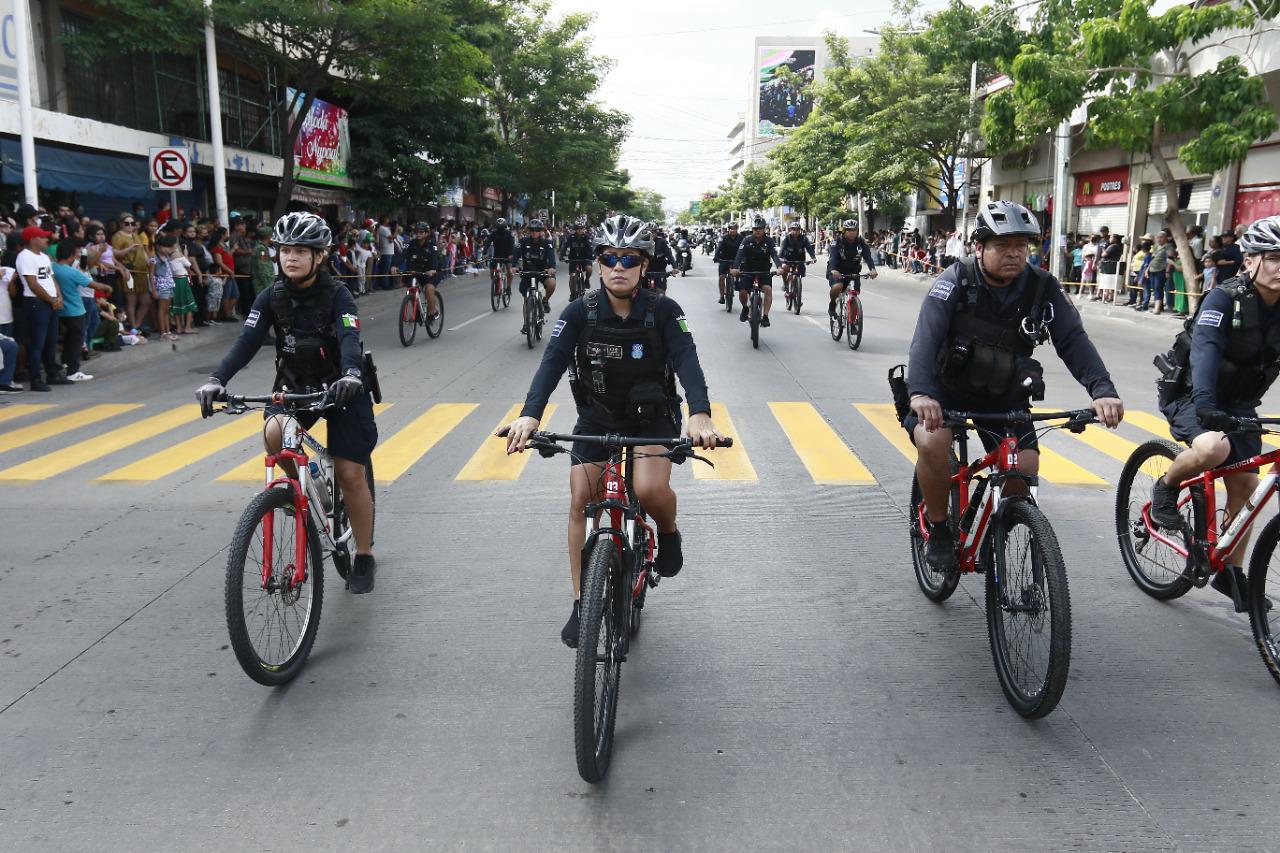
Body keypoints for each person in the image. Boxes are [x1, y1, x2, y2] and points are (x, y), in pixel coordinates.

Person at [496, 214, 721, 647]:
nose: (618, 266)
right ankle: (582, 603)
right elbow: (552, 363)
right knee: (582, 497)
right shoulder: (580, 311)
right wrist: (530, 415)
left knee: (651, 490)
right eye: (610, 258)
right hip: (597, 416)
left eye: (629, 259)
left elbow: (688, 360)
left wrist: (700, 413)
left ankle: (668, 534)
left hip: (652, 418)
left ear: (643, 266)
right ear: (598, 264)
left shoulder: (664, 311)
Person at [904, 201, 1124, 572]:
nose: (1013, 254)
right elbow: (925, 339)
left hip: (1003, 391)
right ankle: (940, 529)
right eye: (1002, 246)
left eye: (1021, 246)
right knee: (932, 442)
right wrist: (921, 392)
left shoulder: (1041, 286)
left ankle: (1001, 529)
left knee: (1024, 468)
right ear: (979, 248)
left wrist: (1102, 389)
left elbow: (1072, 340)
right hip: (945, 390)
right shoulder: (953, 281)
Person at [196, 212, 380, 593]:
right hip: (295, 387)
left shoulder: (338, 294)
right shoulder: (271, 296)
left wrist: (350, 375)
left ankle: (363, 554)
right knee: (274, 434)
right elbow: (245, 344)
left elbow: (349, 339)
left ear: (319, 256)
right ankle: (307, 484)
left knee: (349, 475)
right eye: (284, 250)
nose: (290, 258)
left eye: (301, 251)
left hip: (342, 390)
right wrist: (217, 379)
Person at [1147, 215, 1280, 610]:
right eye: (1273, 257)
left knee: (1247, 490)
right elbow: (1205, 352)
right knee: (1212, 450)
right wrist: (1204, 404)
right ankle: (1166, 489)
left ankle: (1230, 572)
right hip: (1192, 394)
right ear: (1250, 261)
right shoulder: (1225, 298)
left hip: (1239, 406)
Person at [17, 225, 66, 391]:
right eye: (43, 237)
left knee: (51, 340)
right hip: (36, 303)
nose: (47, 240)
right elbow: (32, 284)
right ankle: (36, 379)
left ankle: (52, 373)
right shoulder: (25, 257)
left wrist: (58, 296)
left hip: (50, 302)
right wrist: (52, 300)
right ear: (32, 239)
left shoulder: (44, 257)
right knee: (37, 342)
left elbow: (52, 279)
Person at [52, 239, 92, 381]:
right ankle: (73, 371)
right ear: (70, 255)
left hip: (60, 310)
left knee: (67, 339)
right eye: (76, 253)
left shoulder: (52, 267)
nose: (77, 256)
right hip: (75, 311)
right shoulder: (72, 272)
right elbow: (93, 284)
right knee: (76, 341)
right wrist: (108, 288)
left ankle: (65, 363)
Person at [731, 216, 781, 326]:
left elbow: (774, 255)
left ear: (764, 229)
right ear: (752, 229)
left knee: (768, 289)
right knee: (743, 291)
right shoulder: (746, 240)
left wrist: (779, 267)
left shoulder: (769, 241)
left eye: (760, 229)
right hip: (748, 272)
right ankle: (745, 308)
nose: (757, 231)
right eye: (755, 229)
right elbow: (739, 256)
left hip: (764, 273)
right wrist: (735, 268)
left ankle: (766, 316)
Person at [826, 219, 878, 317]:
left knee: (854, 295)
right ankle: (832, 303)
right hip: (837, 271)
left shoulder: (861, 242)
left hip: (853, 273)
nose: (852, 232)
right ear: (844, 231)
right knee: (838, 287)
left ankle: (853, 323)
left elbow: (868, 257)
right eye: (849, 230)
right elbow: (833, 257)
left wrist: (873, 269)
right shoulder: (837, 242)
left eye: (854, 230)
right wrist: (833, 270)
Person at [513, 219, 556, 335]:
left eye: (537, 230)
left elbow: (552, 257)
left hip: (543, 271)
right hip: (528, 272)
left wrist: (551, 267)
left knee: (552, 283)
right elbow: (516, 254)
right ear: (529, 231)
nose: (534, 232)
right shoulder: (523, 241)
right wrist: (513, 266)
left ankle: (545, 300)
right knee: (527, 299)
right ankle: (526, 324)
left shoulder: (547, 243)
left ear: (541, 231)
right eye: (532, 230)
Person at [402, 222, 441, 318]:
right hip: (417, 272)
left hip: (431, 272)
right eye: (416, 232)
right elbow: (403, 255)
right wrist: (394, 265)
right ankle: (417, 311)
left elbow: (434, 258)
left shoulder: (432, 243)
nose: (418, 234)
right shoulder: (411, 243)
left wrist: (432, 269)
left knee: (428, 289)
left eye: (421, 232)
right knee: (411, 289)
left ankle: (432, 313)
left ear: (427, 233)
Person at [780, 222, 816, 297]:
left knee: (799, 276)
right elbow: (782, 250)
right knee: (784, 268)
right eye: (793, 229)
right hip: (788, 260)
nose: (795, 231)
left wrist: (813, 257)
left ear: (800, 230)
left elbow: (809, 249)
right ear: (790, 230)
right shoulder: (786, 239)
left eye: (797, 230)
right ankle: (785, 283)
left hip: (800, 260)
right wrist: (780, 258)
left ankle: (797, 295)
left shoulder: (804, 239)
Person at [562, 220, 595, 299]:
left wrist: (592, 256)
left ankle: (586, 280)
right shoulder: (570, 237)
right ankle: (572, 294)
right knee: (571, 276)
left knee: (589, 269)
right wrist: (562, 256)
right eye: (577, 228)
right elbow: (565, 247)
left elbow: (590, 248)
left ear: (583, 229)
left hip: (585, 259)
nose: (579, 230)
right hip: (573, 259)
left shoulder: (586, 237)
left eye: (581, 228)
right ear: (575, 229)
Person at [714, 222, 745, 305]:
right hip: (724, 259)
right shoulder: (724, 238)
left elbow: (744, 249)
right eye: (731, 228)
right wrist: (716, 257)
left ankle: (737, 282)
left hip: (736, 260)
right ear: (728, 229)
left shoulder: (741, 238)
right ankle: (721, 296)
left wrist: (744, 258)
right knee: (721, 277)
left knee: (740, 271)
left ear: (737, 229)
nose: (732, 230)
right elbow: (719, 247)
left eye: (734, 229)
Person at [644, 225, 678, 291]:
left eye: (653, 232)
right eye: (649, 232)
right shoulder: (641, 242)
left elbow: (669, 255)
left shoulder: (663, 242)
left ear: (656, 233)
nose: (651, 234)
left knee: (661, 293)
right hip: (645, 271)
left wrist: (675, 267)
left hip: (660, 271)